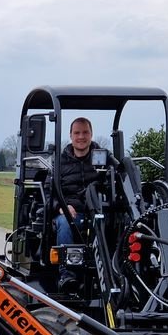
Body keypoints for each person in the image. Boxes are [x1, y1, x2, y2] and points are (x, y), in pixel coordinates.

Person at [54, 116, 103, 293]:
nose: (81, 137)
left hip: (99, 211)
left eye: (85, 132)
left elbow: (120, 178)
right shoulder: (60, 162)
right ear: (71, 135)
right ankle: (66, 274)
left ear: (91, 134)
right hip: (71, 213)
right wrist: (62, 206)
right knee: (65, 223)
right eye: (77, 133)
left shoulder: (103, 158)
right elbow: (48, 192)